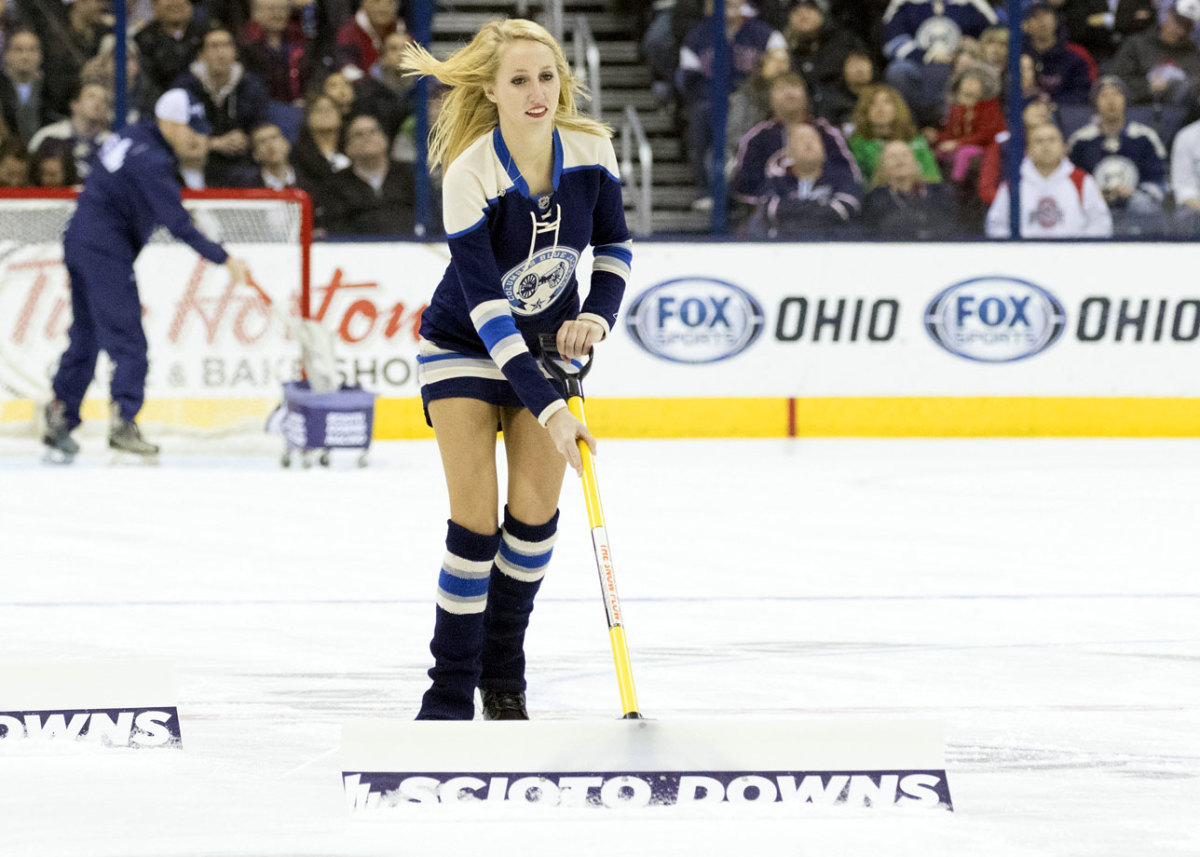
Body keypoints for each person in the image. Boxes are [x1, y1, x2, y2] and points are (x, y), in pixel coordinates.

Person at [399, 18, 632, 721]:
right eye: (520, 80)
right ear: (492, 90)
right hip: (463, 343)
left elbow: (616, 245)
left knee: (532, 528)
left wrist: (597, 313)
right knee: (476, 528)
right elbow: (490, 314)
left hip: (550, 350)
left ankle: (504, 677)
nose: (538, 92)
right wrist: (555, 409)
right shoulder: (471, 173)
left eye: (547, 76)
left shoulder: (592, 148)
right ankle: (446, 696)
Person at [42, 88, 249, 462]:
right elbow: (177, 224)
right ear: (168, 122)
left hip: (80, 240)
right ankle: (124, 422)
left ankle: (61, 413)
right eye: (191, 128)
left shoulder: (132, 135)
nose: (198, 137)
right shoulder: (152, 161)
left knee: (87, 336)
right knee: (128, 340)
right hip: (105, 249)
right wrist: (224, 258)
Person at [1066, 74, 1167, 233]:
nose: (1111, 101)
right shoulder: (1080, 141)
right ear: (1094, 103)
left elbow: (1159, 182)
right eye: (1104, 95)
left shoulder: (1145, 137)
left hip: (1136, 210)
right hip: (1093, 209)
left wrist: (1132, 194)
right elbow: (1070, 182)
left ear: (1125, 100)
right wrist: (1094, 193)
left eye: (1116, 94)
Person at [175, 26, 270, 186]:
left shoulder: (252, 85)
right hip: (197, 161)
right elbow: (174, 131)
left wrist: (247, 140)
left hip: (241, 162)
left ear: (235, 53)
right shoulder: (185, 87)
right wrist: (213, 143)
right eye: (214, 46)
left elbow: (261, 126)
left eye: (227, 45)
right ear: (201, 55)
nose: (221, 53)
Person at [985, 122, 1112, 237]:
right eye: (1039, 141)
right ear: (1028, 151)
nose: (1046, 146)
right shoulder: (1014, 184)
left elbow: (1101, 224)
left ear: (1064, 148)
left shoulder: (1082, 181)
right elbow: (996, 226)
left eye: (1052, 140)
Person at [744, 120, 862, 237]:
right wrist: (820, 207)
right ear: (788, 152)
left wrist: (793, 210)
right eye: (800, 140)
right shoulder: (775, 182)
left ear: (823, 148)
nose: (808, 143)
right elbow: (770, 210)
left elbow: (846, 208)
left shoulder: (841, 178)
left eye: (813, 139)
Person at [324, 112, 414, 234]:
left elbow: (432, 216)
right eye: (358, 134)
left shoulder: (410, 174)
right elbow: (335, 227)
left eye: (373, 131)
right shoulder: (337, 184)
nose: (367, 137)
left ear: (385, 139)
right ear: (348, 147)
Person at [1110, 0, 1200, 108]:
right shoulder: (1136, 46)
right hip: (1140, 111)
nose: (1181, 31)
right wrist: (1148, 86)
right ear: (1167, 16)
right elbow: (1115, 84)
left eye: (1187, 26)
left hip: (1184, 114)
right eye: (1179, 23)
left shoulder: (1193, 53)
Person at [863, 138, 961, 237]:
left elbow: (951, 228)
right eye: (892, 156)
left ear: (915, 162)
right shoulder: (873, 198)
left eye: (904, 155)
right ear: (883, 167)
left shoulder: (940, 192)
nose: (899, 160)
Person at [847, 83, 941, 185]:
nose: (880, 108)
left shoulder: (917, 141)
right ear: (864, 111)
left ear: (897, 107)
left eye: (886, 102)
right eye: (872, 103)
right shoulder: (857, 144)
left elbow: (933, 178)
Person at [27, 79, 113, 182]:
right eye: (91, 96)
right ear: (74, 104)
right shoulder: (48, 136)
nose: (98, 103)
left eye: (104, 100)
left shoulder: (112, 143)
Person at [1023, 1, 1094, 107]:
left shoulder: (1074, 60)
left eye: (1046, 14)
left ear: (1056, 20)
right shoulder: (1018, 58)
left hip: (1062, 116)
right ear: (1025, 26)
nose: (1042, 21)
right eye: (1035, 16)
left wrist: (1052, 102)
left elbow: (1081, 95)